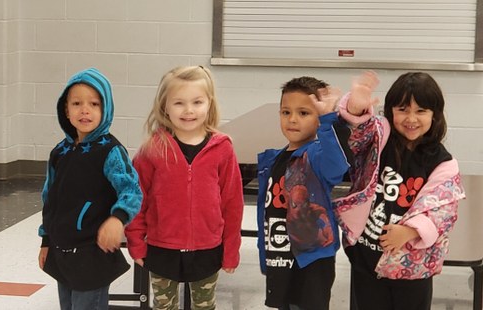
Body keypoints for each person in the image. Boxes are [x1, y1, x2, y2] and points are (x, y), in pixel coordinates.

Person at [334, 71, 465, 310]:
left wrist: (410, 231)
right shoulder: (378, 138)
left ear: (435, 115)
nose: (411, 118)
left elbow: (443, 212)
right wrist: (355, 109)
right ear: (390, 110)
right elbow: (355, 136)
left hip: (412, 268)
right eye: (403, 109)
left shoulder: (443, 163)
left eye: (421, 111)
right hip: (367, 259)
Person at [124, 66, 244, 310]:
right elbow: (136, 199)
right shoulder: (152, 150)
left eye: (197, 102)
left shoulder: (222, 149)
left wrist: (231, 249)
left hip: (207, 249)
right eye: (179, 103)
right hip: (161, 249)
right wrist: (136, 242)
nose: (189, 110)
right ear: (164, 106)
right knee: (164, 306)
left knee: (204, 306)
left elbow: (232, 203)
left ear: (209, 103)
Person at [37, 67, 143, 310]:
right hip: (62, 252)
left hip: (92, 255)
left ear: (105, 109)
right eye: (77, 103)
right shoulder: (59, 152)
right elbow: (49, 198)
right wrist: (46, 240)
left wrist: (118, 219)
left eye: (94, 104)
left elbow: (132, 190)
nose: (85, 110)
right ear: (66, 109)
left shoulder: (110, 151)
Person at [256, 76, 350, 309]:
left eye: (304, 113)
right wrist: (263, 251)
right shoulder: (274, 159)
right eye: (286, 112)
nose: (293, 119)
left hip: (312, 261)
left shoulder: (317, 155)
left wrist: (329, 120)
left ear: (319, 117)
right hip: (279, 255)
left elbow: (337, 165)